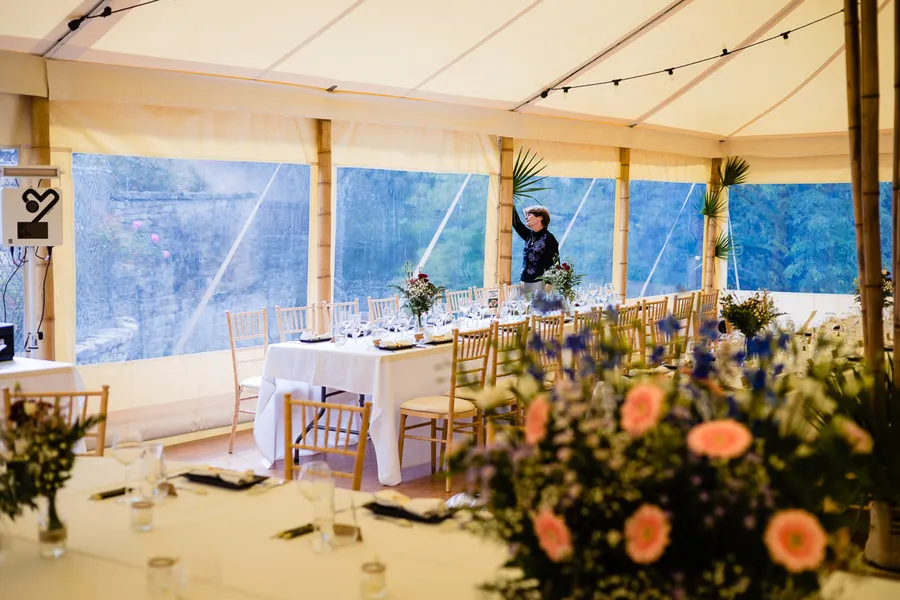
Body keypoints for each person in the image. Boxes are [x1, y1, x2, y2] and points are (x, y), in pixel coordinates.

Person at [512, 205, 559, 294]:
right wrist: (510, 202)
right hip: (524, 282)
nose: (526, 217)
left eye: (529, 214)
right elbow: (516, 223)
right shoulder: (529, 236)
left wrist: (548, 287)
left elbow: (555, 264)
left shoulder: (549, 238)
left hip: (541, 284)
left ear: (540, 217)